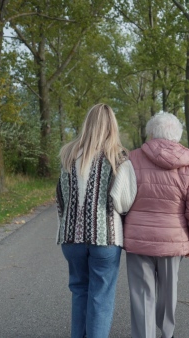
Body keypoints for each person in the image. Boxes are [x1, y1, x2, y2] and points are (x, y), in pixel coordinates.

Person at [123, 112, 189, 338]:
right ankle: (167, 334)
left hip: (138, 238)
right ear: (178, 136)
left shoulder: (131, 159)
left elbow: (120, 199)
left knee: (142, 293)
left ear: (151, 134)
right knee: (168, 291)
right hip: (173, 241)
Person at [56, 103, 137, 338]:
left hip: (71, 239)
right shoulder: (119, 158)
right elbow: (125, 202)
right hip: (106, 238)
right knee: (100, 297)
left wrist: (67, 224)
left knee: (80, 291)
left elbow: (61, 199)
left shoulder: (68, 155)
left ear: (87, 124)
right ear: (112, 125)